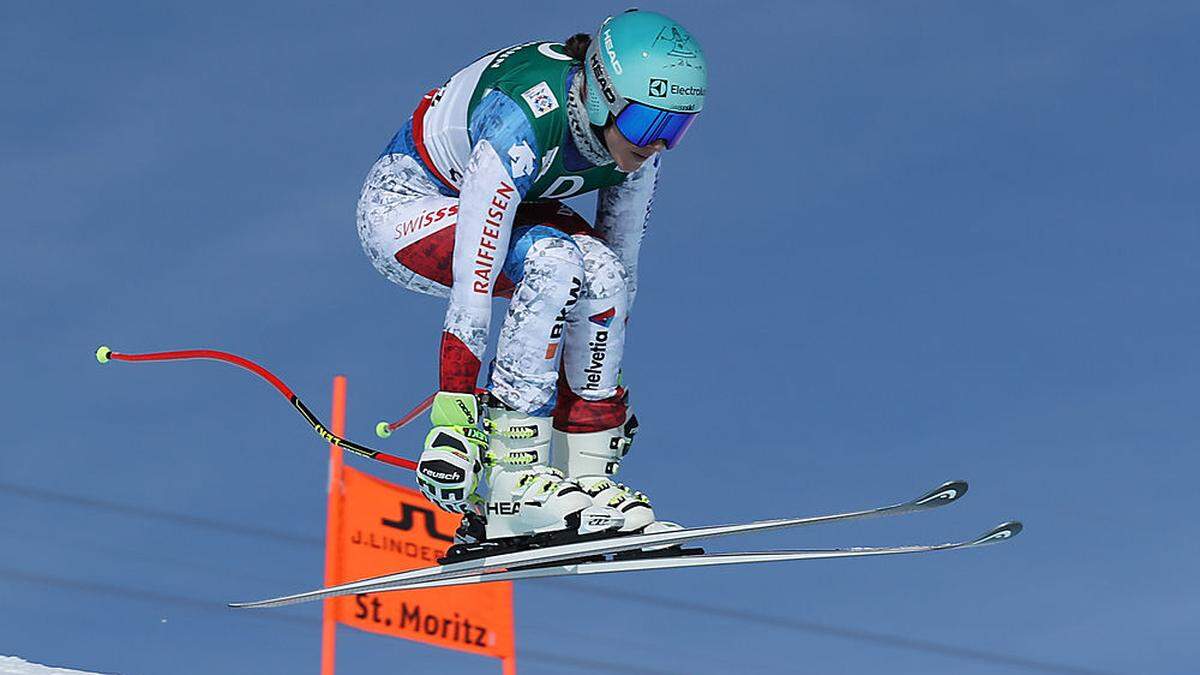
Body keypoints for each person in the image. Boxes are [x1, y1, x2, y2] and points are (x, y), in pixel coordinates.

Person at [356, 9, 707, 544]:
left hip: (516, 212)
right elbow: (476, 280)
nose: (654, 144)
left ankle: (584, 477)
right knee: (553, 261)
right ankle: (509, 479)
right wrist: (453, 415)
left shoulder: (638, 151)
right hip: (408, 211)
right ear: (601, 95)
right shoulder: (523, 117)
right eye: (646, 124)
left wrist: (595, 408)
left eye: (675, 128)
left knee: (603, 273)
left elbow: (619, 274)